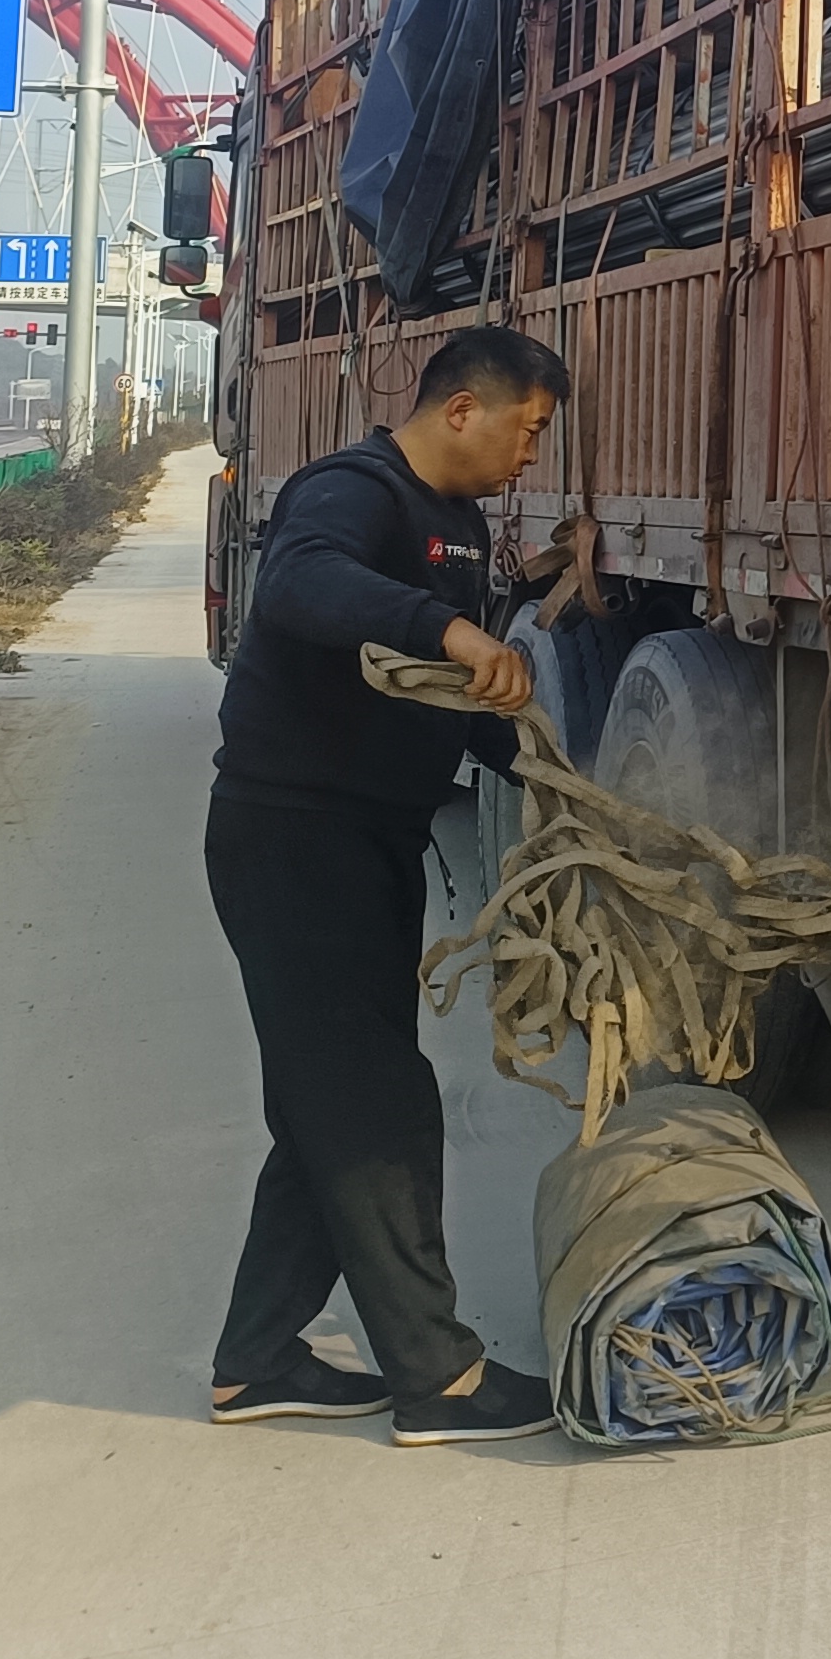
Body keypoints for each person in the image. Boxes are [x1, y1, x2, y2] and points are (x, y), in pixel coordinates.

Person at [203, 323, 572, 1444]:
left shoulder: (462, 528)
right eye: (528, 430)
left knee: (325, 1107)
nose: (532, 456)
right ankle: (437, 1379)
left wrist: (554, 777)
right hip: (293, 841)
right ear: (462, 408)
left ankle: (258, 1360)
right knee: (376, 1106)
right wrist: (449, 628)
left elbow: (453, 698)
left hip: (371, 843)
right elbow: (301, 586)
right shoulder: (349, 493)